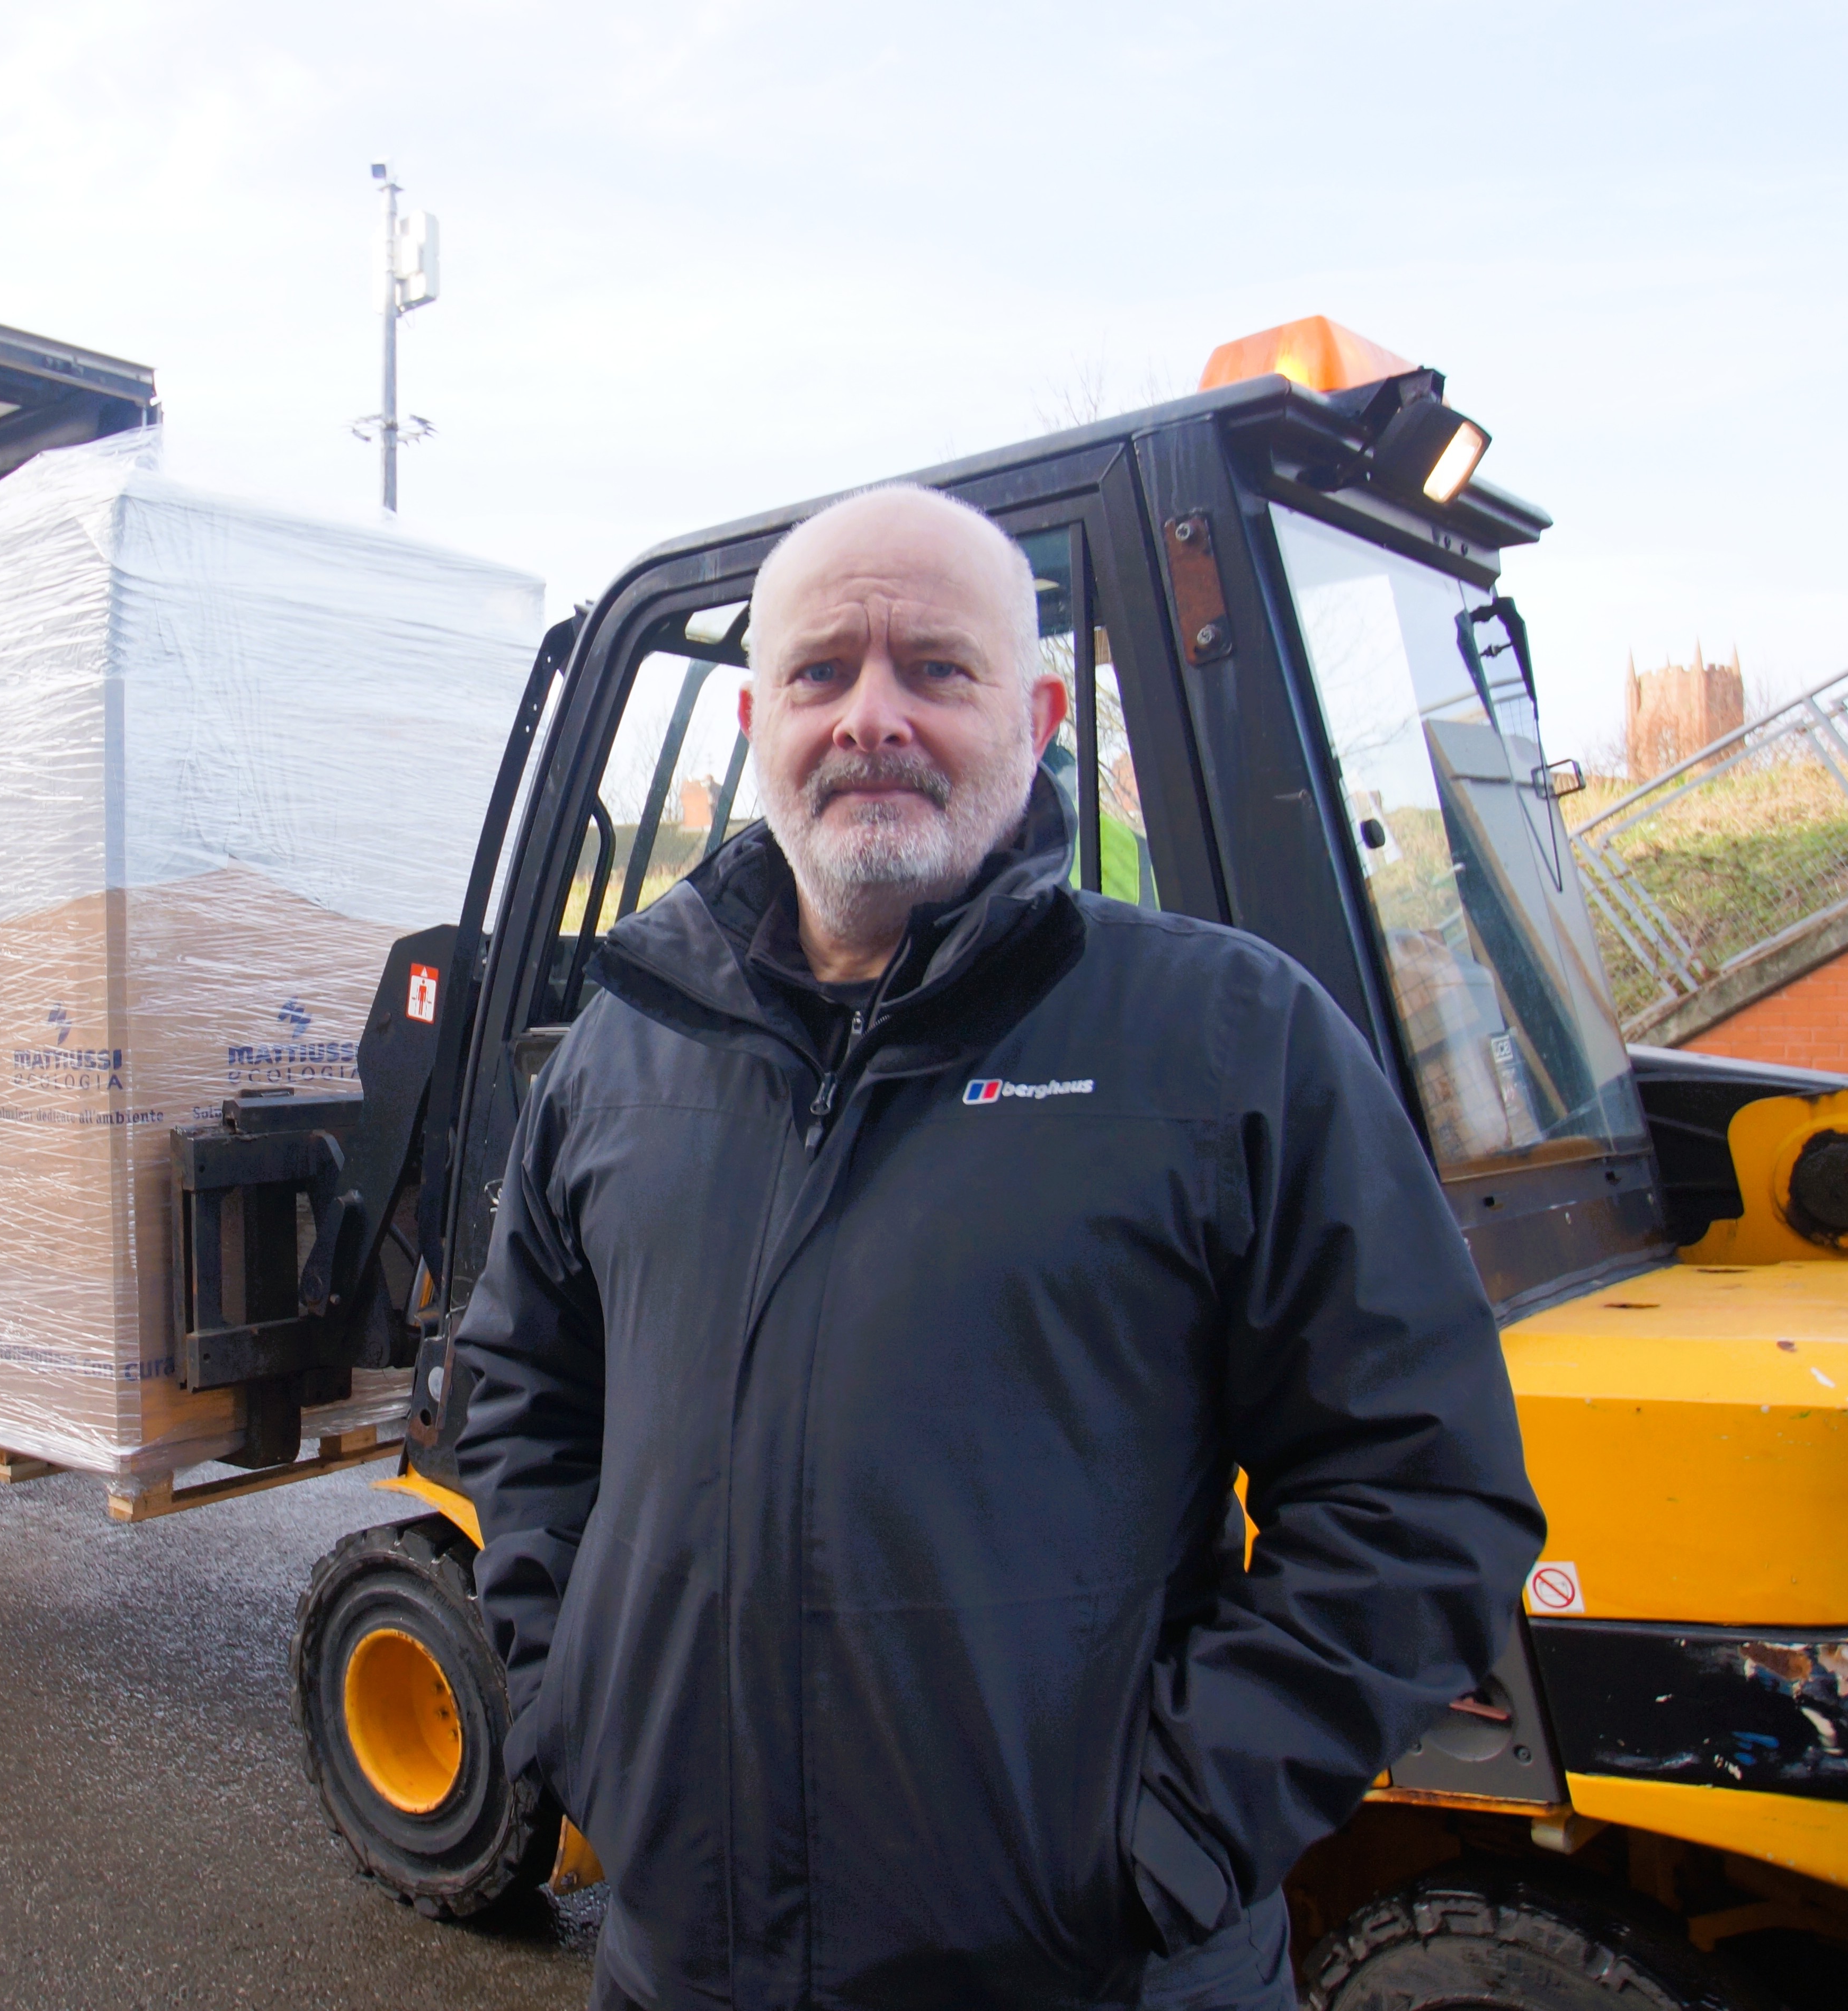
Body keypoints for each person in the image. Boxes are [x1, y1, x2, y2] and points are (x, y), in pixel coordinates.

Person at [454, 486, 1543, 2010]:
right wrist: (575, 1698)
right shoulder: (630, 1045)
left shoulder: (1223, 1037)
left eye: (934, 671)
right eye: (822, 674)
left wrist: (1165, 1835)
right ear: (758, 720)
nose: (870, 717)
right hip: (685, 1965)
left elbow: (1418, 1490)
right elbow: (518, 1384)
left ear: (1035, 714)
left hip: (1089, 1972)